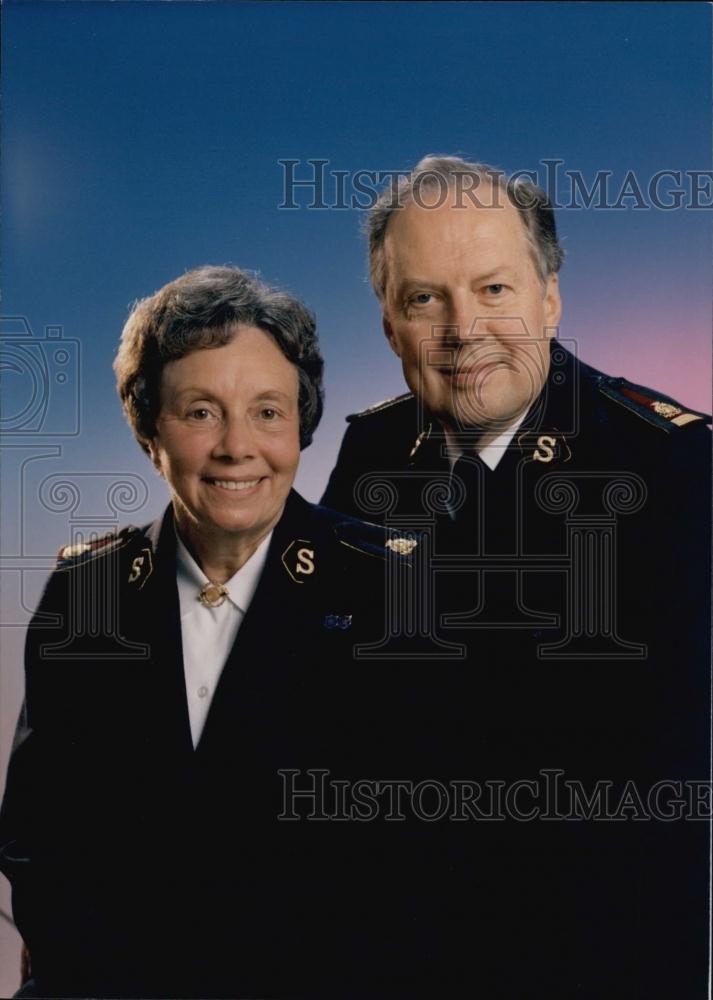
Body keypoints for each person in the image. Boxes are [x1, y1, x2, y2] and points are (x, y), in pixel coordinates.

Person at [321, 156, 712, 996]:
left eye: (493, 289)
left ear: (549, 296)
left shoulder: (676, 466)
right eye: (424, 298)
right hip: (397, 953)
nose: (464, 330)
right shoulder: (372, 454)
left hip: (595, 958)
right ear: (388, 324)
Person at [0, 266, 417, 999]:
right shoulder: (88, 590)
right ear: (148, 428)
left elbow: (420, 865)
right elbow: (38, 837)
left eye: (266, 411)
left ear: (301, 423)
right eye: (200, 412)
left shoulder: (389, 589)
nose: (236, 447)